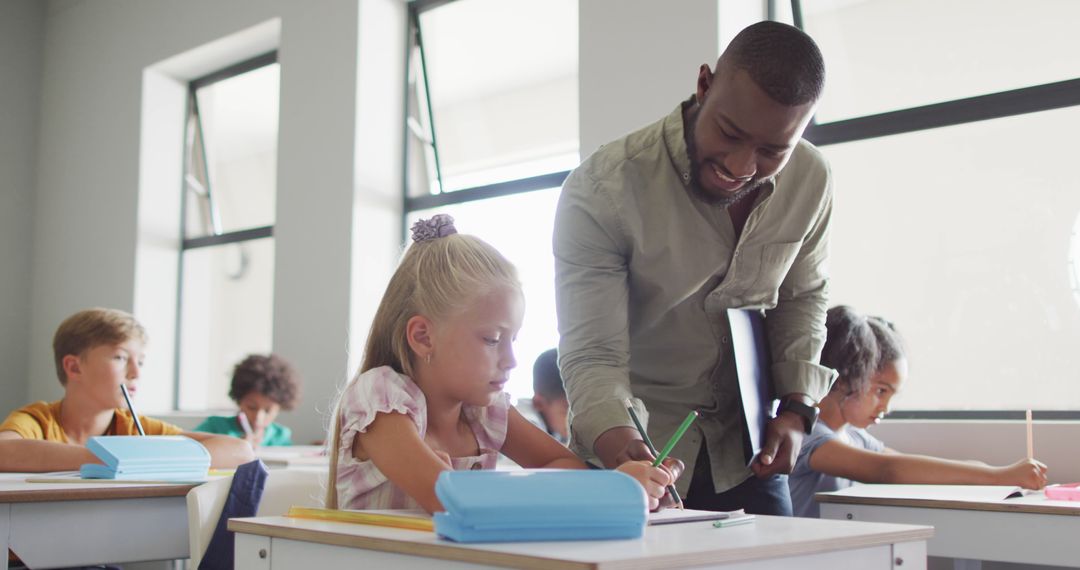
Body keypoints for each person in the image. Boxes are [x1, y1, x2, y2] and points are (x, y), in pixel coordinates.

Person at [554, 20, 835, 516]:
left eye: (772, 151)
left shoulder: (810, 179)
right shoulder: (603, 189)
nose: (741, 164)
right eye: (729, 132)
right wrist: (623, 448)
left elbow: (802, 296)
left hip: (745, 457)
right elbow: (592, 354)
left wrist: (797, 410)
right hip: (637, 456)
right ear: (704, 84)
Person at [325, 215, 678, 514]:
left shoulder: (484, 412)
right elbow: (449, 497)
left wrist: (611, 486)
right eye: (492, 339)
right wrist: (606, 490)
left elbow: (565, 465)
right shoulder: (380, 398)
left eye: (514, 340)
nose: (511, 360)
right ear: (423, 337)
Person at [788, 306, 1049, 518]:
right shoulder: (810, 436)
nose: (886, 407)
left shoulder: (855, 438)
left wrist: (999, 473)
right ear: (845, 379)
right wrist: (997, 476)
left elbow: (911, 466)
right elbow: (886, 471)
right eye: (881, 391)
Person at [0, 308, 255, 472]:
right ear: (74, 367)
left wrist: (139, 462)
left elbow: (240, 451)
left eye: (140, 361)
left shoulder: (134, 428)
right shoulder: (37, 419)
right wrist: (112, 461)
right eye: (121, 358)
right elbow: (4, 451)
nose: (136, 373)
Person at [195, 353, 301, 446]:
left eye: (268, 411)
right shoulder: (215, 427)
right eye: (251, 407)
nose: (258, 417)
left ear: (280, 407)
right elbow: (188, 447)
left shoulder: (280, 436)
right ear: (239, 400)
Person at [532, 348, 569, 443]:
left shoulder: (556, 430)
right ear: (538, 403)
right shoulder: (528, 422)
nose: (577, 422)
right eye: (568, 414)